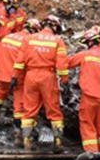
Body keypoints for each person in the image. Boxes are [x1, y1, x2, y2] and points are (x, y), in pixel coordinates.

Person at [13, 15, 68, 151]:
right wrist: (64, 80)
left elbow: (20, 61)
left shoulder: (28, 39)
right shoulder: (57, 40)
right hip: (48, 76)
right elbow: (61, 64)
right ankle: (58, 142)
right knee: (53, 110)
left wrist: (15, 77)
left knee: (29, 110)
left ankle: (26, 141)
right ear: (55, 26)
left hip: (30, 76)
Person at [68, 26, 100, 152]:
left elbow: (68, 62)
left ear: (90, 42)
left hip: (89, 97)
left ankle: (92, 156)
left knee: (88, 126)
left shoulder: (85, 55)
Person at [0, 18, 35, 142]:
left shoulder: (8, 37)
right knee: (19, 106)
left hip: (1, 75)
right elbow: (25, 62)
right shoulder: (27, 41)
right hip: (16, 78)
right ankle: (18, 136)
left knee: (1, 93)